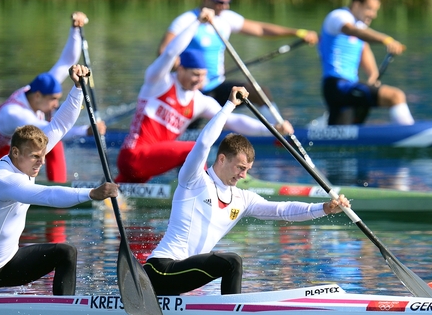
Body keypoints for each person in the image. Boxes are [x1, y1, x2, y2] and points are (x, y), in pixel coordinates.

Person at [143, 86, 350, 296]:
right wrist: (230, 105)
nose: (243, 175)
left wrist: (325, 208)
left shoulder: (242, 199)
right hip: (160, 270)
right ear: (222, 159)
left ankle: (230, 313)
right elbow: (204, 143)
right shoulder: (194, 180)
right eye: (240, 168)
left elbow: (282, 210)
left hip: (183, 276)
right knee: (232, 262)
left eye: (247, 170)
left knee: (230, 262)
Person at [0, 65, 119, 296]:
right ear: (14, 153)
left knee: (66, 253)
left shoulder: (28, 158)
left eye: (42, 157)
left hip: (7, 265)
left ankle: (65, 314)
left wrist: (77, 88)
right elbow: (47, 195)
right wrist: (90, 194)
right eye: (34, 157)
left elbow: (60, 125)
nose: (40, 163)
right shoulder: (3, 179)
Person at [116, 7, 293, 183]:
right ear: (181, 69)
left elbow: (233, 121)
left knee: (113, 192)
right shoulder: (158, 82)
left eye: (202, 76)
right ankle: (205, 187)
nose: (198, 81)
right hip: (133, 155)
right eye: (195, 75)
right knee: (194, 147)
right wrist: (197, 23)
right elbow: (170, 52)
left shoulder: (199, 101)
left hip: (146, 169)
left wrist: (271, 128)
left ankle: (114, 189)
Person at [0, 11, 104, 183]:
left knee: (51, 146)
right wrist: (86, 131)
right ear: (37, 96)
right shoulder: (13, 113)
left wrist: (75, 30)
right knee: (52, 142)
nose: (56, 104)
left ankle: (57, 189)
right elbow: (52, 130)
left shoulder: (37, 89)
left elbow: (67, 61)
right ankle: (57, 196)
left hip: (3, 160)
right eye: (54, 99)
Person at [157, 0, 318, 109]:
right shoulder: (186, 21)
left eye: (228, 2)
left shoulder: (226, 18)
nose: (225, 6)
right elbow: (164, 51)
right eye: (220, 2)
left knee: (259, 93)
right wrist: (188, 75)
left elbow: (260, 29)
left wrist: (297, 32)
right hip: (190, 88)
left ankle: (279, 131)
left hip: (216, 84)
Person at [318, 0, 412, 126]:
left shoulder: (360, 26)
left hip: (346, 88)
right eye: (369, 8)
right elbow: (351, 31)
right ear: (356, 4)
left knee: (340, 136)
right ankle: (410, 135)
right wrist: (385, 39)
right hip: (337, 85)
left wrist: (373, 76)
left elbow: (364, 49)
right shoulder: (339, 16)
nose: (373, 15)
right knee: (395, 96)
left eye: (375, 10)